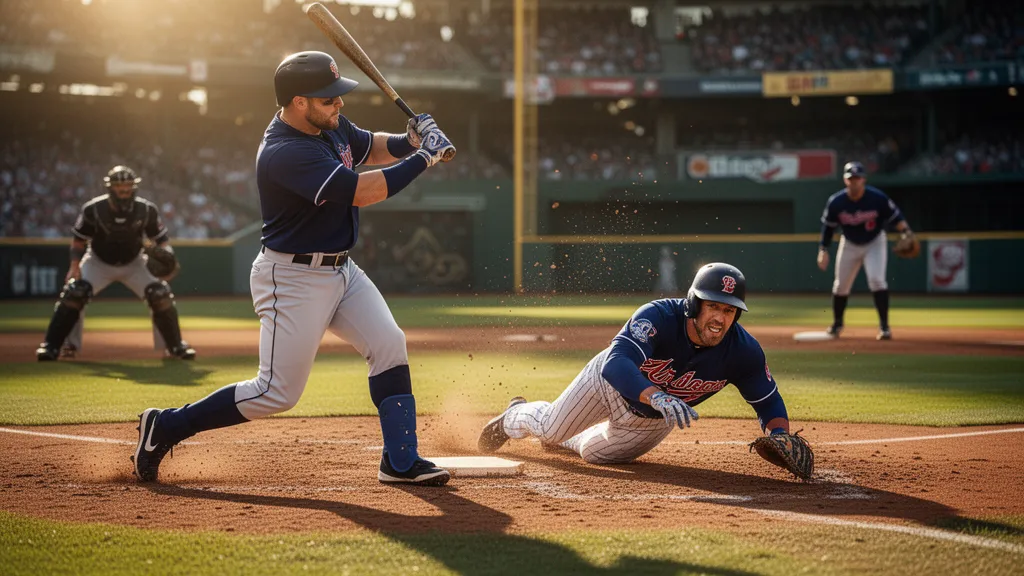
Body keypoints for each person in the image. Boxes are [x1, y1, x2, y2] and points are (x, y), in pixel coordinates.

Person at [131, 51, 456, 486]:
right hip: (293, 278)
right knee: (276, 392)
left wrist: (409, 141)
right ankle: (166, 426)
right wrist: (425, 159)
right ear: (299, 102)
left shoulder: (328, 123)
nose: (339, 105)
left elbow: (368, 145)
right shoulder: (285, 151)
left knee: (389, 344)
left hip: (342, 270)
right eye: (329, 100)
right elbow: (360, 191)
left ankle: (400, 462)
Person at [478, 263, 802, 468]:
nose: (720, 318)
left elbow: (767, 400)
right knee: (550, 427)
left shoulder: (744, 351)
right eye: (713, 306)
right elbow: (616, 365)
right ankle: (514, 417)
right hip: (607, 384)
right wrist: (656, 395)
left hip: (650, 421)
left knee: (593, 454)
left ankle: (568, 434)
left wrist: (779, 434)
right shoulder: (659, 316)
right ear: (693, 304)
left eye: (729, 311)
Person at [35, 165, 195, 361]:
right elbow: (79, 240)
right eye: (120, 187)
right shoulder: (93, 209)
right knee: (75, 291)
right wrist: (74, 266)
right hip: (97, 261)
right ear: (110, 188)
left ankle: (174, 346)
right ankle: (56, 346)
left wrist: (167, 257)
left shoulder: (146, 209)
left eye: (128, 186)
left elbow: (162, 241)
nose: (124, 191)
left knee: (160, 293)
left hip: (134, 262)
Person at [817, 161, 915, 340]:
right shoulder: (836, 202)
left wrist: (906, 232)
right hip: (849, 243)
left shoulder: (877, 198)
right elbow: (828, 228)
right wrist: (823, 249)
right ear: (845, 180)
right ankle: (837, 324)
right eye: (851, 178)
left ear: (863, 180)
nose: (854, 182)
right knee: (840, 285)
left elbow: (896, 217)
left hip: (874, 242)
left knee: (877, 280)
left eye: (857, 178)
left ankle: (884, 327)